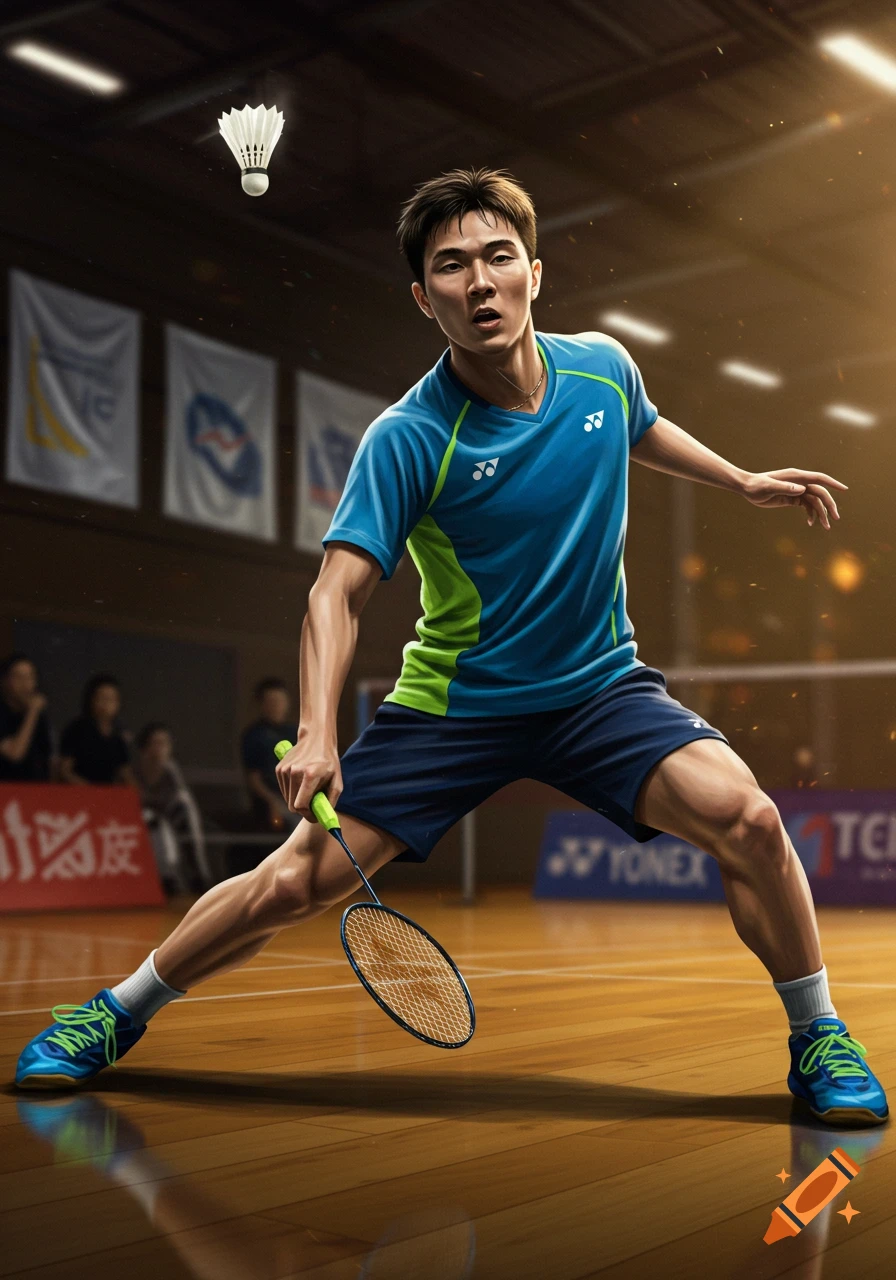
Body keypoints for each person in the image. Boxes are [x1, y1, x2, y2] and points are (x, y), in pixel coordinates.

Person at [14, 168, 888, 1128]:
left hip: (599, 688)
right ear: (424, 298)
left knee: (752, 820)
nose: (479, 283)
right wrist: (315, 729)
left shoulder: (602, 366)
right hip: (457, 704)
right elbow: (335, 590)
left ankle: (816, 1037)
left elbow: (637, 427)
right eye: (452, 267)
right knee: (297, 880)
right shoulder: (409, 437)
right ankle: (110, 1015)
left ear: (535, 273)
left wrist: (741, 479)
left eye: (497, 258)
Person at [134, 722, 211, 893]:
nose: (162, 748)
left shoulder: (171, 770)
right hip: (143, 819)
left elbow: (179, 798)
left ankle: (199, 875)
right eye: (157, 743)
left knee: (185, 816)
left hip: (170, 816)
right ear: (145, 747)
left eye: (165, 743)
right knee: (158, 827)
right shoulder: (134, 771)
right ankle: (166, 878)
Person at [240, 678, 298, 833]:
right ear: (261, 704)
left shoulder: (296, 732)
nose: (277, 706)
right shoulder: (254, 736)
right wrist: (273, 802)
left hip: (299, 799)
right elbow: (253, 778)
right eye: (271, 701)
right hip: (270, 804)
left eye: (280, 701)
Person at [58, 674, 134, 787]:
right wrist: (90, 789)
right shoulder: (76, 729)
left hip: (108, 794)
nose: (106, 704)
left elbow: (124, 771)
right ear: (91, 700)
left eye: (111, 699)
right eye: (102, 698)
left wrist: (135, 793)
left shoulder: (119, 733)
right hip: (80, 793)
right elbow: (65, 771)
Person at [0, 653, 53, 782]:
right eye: (18, 677)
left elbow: (47, 758)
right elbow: (15, 753)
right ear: (5, 680)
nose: (25, 684)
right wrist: (33, 711)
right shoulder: (31, 712)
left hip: (35, 791)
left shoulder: (39, 717)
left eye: (30, 677)